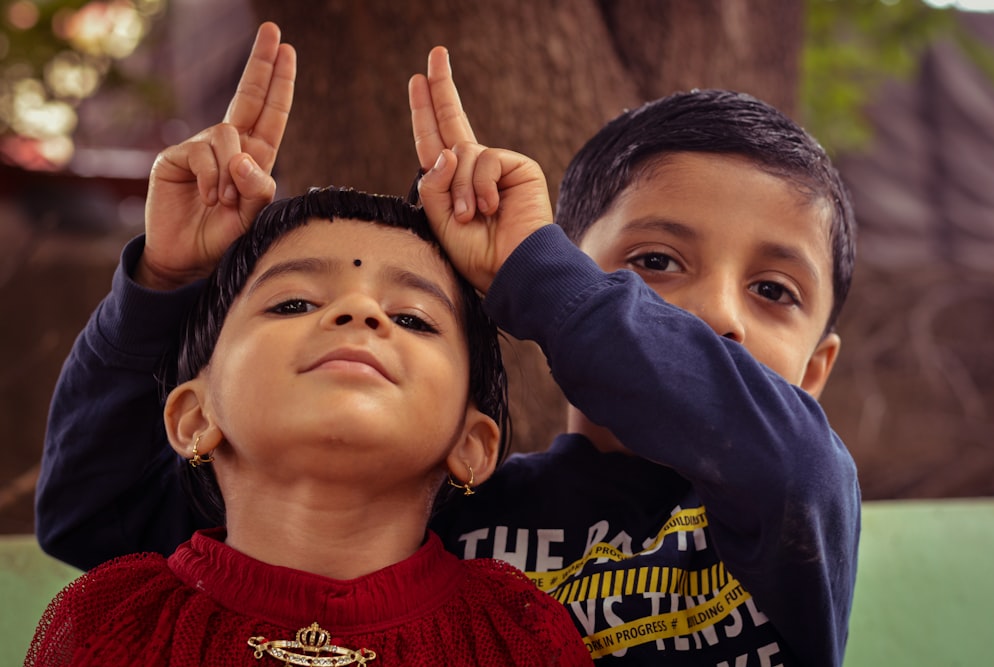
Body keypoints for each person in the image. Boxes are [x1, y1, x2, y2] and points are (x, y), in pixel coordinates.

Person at [35, 35, 860, 665]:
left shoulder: (789, 518)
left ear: (817, 371)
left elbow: (786, 461)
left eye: (773, 291)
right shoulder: (435, 497)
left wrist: (536, 270)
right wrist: (165, 280)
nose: (718, 314)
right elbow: (100, 520)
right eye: (654, 263)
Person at [26, 184, 592, 667]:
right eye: (293, 304)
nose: (359, 313)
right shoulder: (107, 621)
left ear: (472, 445)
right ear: (195, 416)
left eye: (411, 318)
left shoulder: (520, 637)